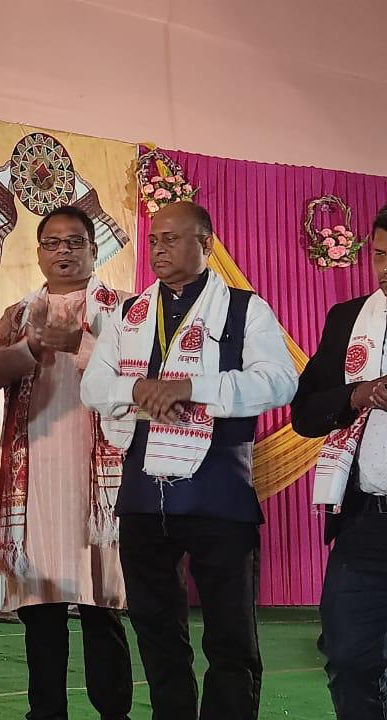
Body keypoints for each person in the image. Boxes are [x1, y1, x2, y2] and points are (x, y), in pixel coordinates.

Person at [82, 201, 298, 719]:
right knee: (156, 631)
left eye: (172, 238)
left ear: (206, 244)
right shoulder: (128, 313)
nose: (159, 249)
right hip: (141, 497)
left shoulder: (246, 309)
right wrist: (139, 388)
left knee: (230, 638)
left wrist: (191, 387)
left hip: (219, 495)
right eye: (154, 239)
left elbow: (279, 381)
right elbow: (93, 385)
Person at [0, 205, 131, 720]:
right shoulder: (19, 313)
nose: (63, 251)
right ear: (39, 252)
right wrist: (25, 346)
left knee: (101, 610)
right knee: (41, 613)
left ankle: (114, 711)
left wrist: (79, 343)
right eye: (52, 242)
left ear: (94, 249)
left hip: (99, 486)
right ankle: (45, 712)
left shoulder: (124, 309)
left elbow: (135, 378)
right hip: (36, 484)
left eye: (74, 241)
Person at [294, 206, 387, 719]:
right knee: (348, 658)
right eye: (380, 255)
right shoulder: (348, 318)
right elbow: (305, 413)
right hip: (366, 522)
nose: (385, 269)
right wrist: (359, 394)